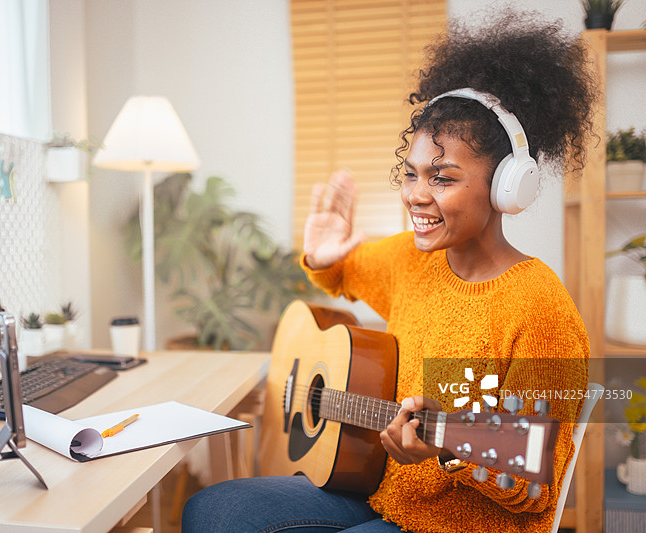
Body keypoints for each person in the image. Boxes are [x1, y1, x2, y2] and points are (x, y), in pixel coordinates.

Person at [182, 9, 595, 533]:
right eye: (411, 174)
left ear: (505, 187)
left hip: (463, 525)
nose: (416, 196)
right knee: (210, 511)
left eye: (442, 178)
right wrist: (325, 257)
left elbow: (537, 487)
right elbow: (344, 274)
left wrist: (447, 446)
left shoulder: (540, 308)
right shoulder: (411, 259)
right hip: (379, 492)